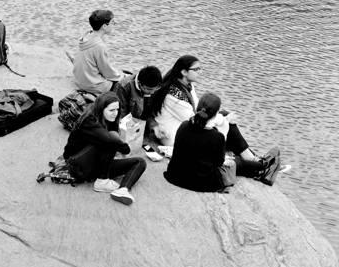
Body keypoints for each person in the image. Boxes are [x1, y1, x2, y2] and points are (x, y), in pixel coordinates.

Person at [147, 54, 281, 175]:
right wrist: (224, 120)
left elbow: (199, 108)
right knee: (226, 124)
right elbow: (193, 119)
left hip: (187, 124)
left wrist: (222, 117)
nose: (200, 72)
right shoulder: (174, 95)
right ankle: (257, 163)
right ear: (184, 72)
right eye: (196, 70)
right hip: (177, 135)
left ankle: (253, 158)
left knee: (224, 116)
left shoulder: (186, 85)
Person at [164, 92, 282, 191]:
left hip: (175, 176)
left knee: (231, 157)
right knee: (236, 162)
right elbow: (219, 162)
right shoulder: (216, 137)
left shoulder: (184, 125)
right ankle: (263, 166)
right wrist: (224, 131)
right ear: (215, 114)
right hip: (201, 183)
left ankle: (258, 162)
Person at [62, 91, 146, 205]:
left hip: (96, 164)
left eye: (117, 109)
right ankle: (102, 181)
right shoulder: (89, 121)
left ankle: (123, 190)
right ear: (101, 109)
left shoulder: (110, 119)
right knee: (109, 140)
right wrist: (125, 147)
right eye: (111, 110)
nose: (115, 113)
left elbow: (115, 137)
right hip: (77, 165)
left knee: (140, 162)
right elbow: (115, 143)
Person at [112, 65, 162, 159]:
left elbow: (149, 111)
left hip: (141, 125)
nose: (152, 93)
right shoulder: (123, 86)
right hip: (128, 125)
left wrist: (153, 125)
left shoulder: (154, 88)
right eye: (149, 90)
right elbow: (120, 113)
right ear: (139, 84)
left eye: (155, 89)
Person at [71, 9, 123, 93]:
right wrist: (122, 76)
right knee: (124, 83)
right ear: (104, 26)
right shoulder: (99, 46)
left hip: (79, 81)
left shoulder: (86, 37)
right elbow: (107, 72)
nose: (115, 24)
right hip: (92, 85)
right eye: (112, 22)